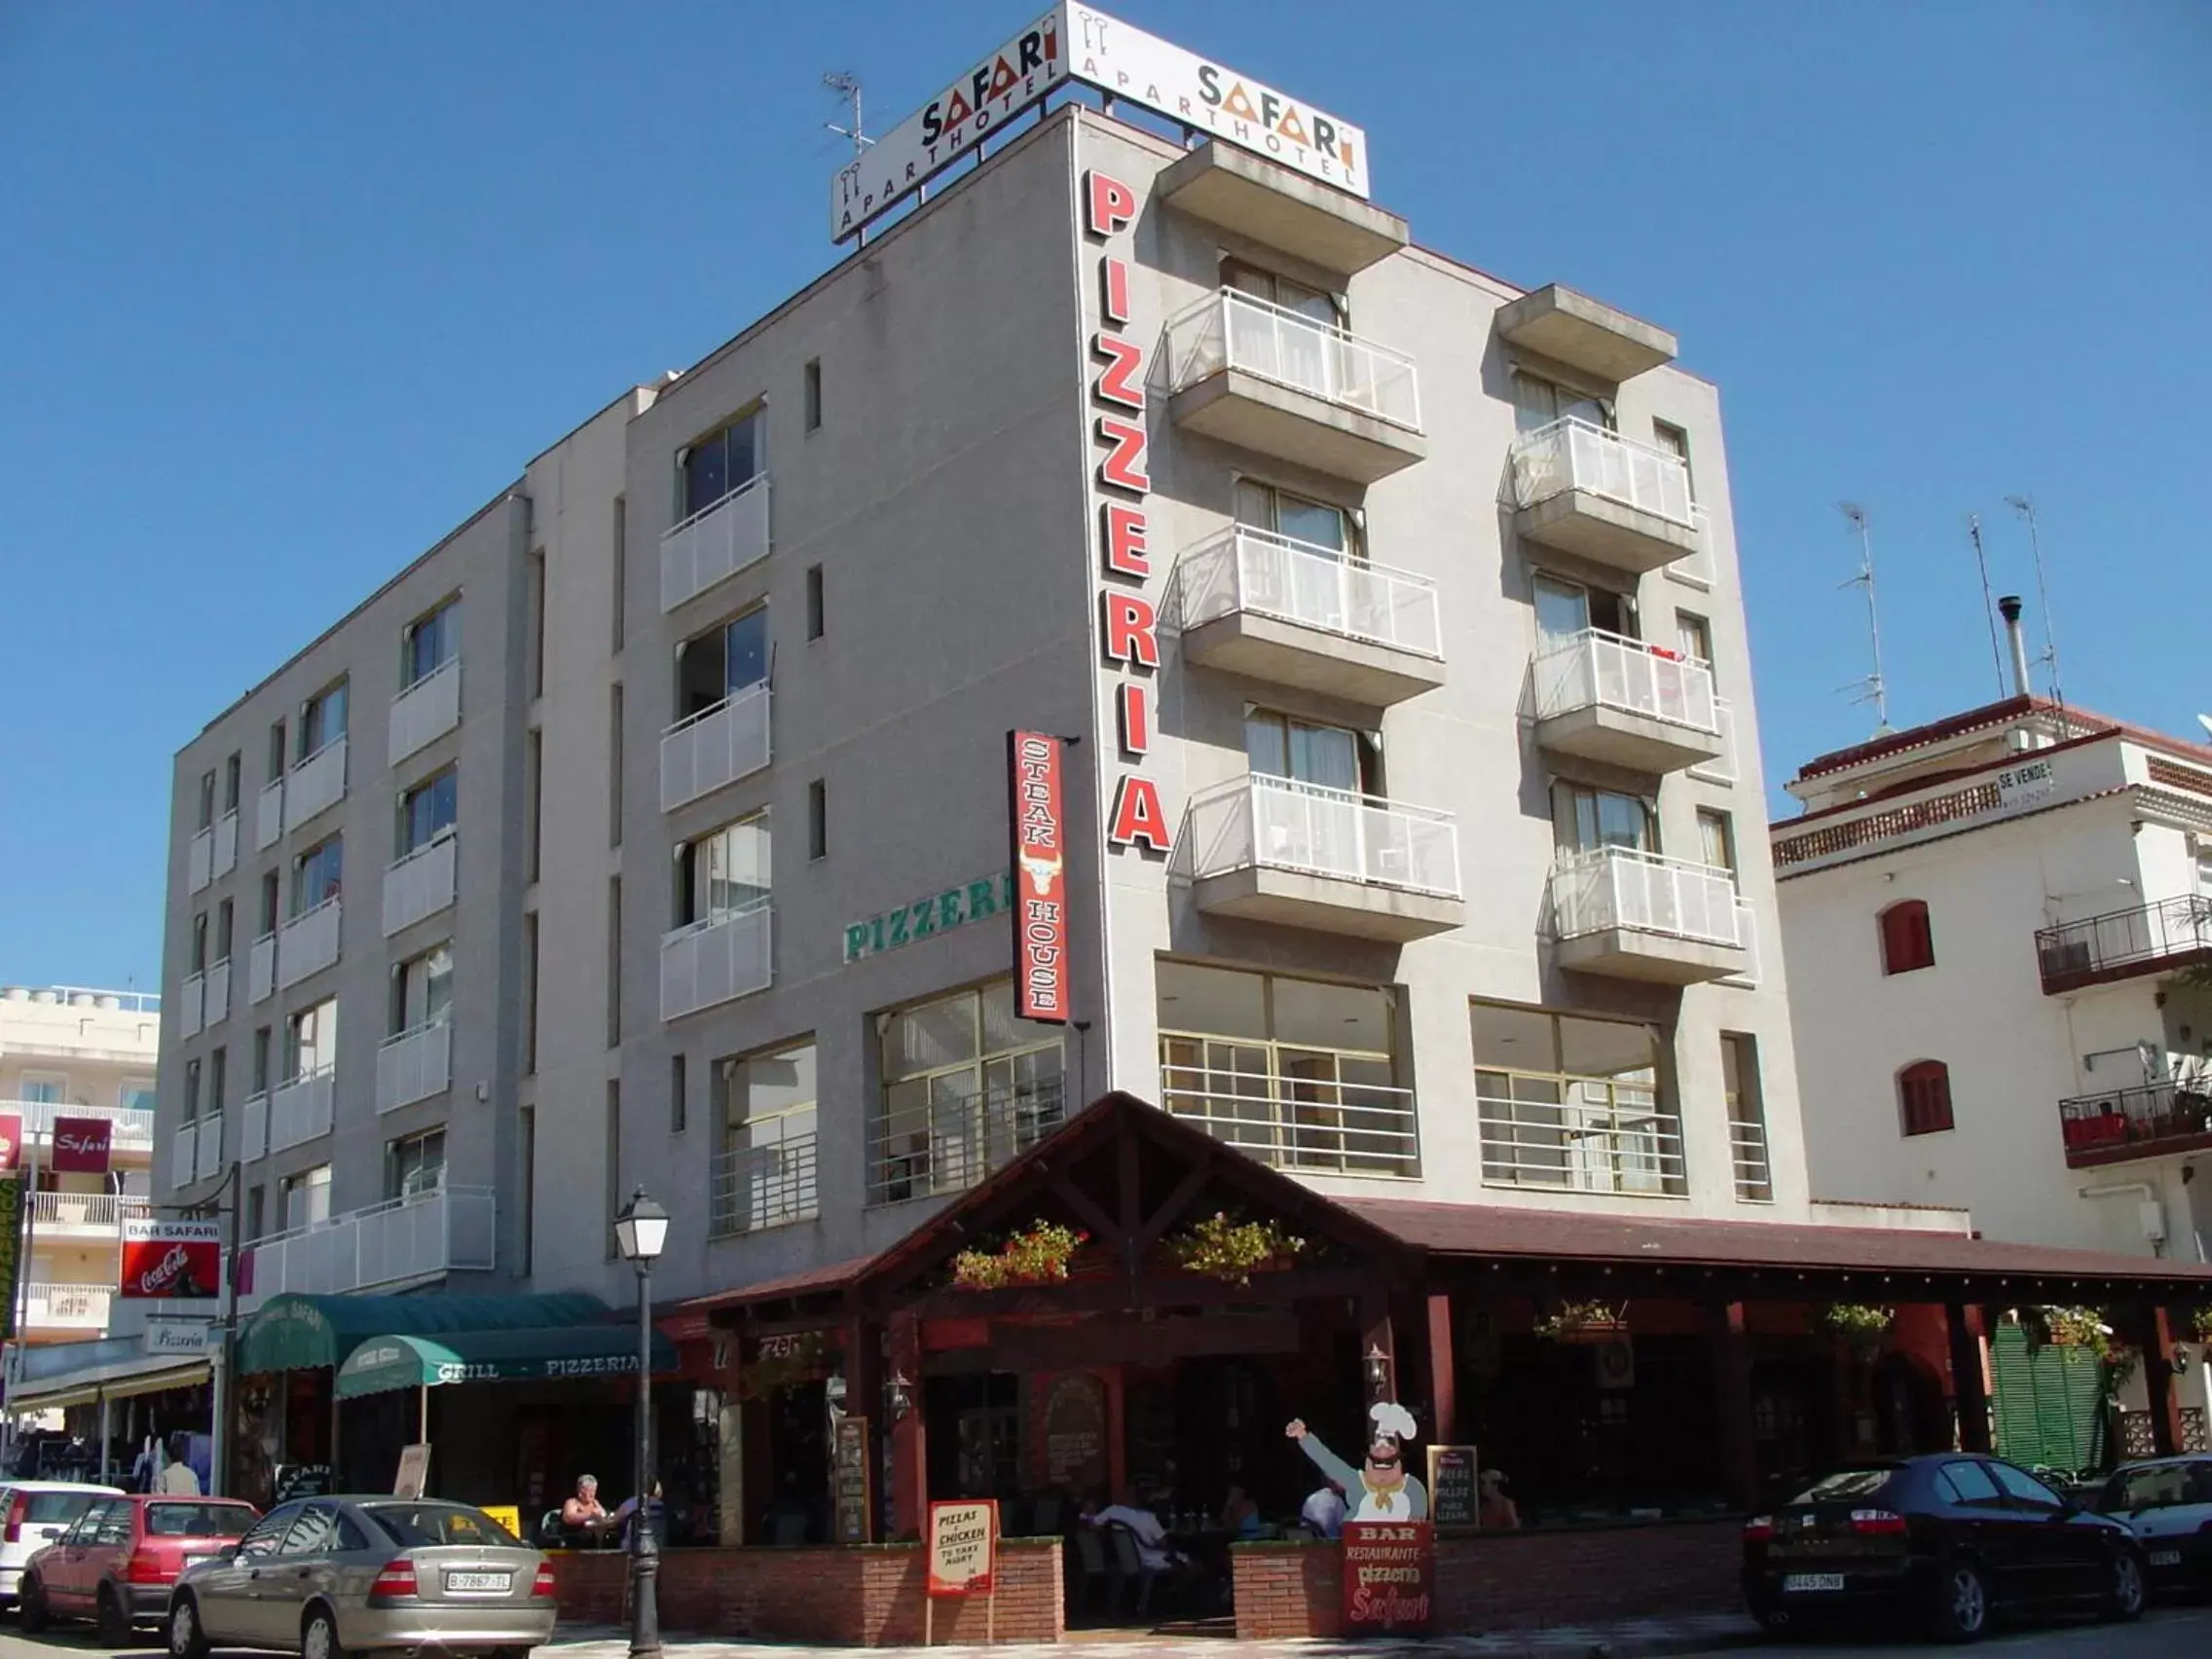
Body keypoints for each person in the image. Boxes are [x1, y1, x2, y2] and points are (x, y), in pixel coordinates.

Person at [1285, 1401, 1426, 1521]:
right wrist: (1302, 1435)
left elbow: (1418, 1529)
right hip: (1358, 1550)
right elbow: (1328, 1461)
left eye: (1388, 1463)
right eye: (1376, 1461)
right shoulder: (1357, 1482)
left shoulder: (1413, 1488)